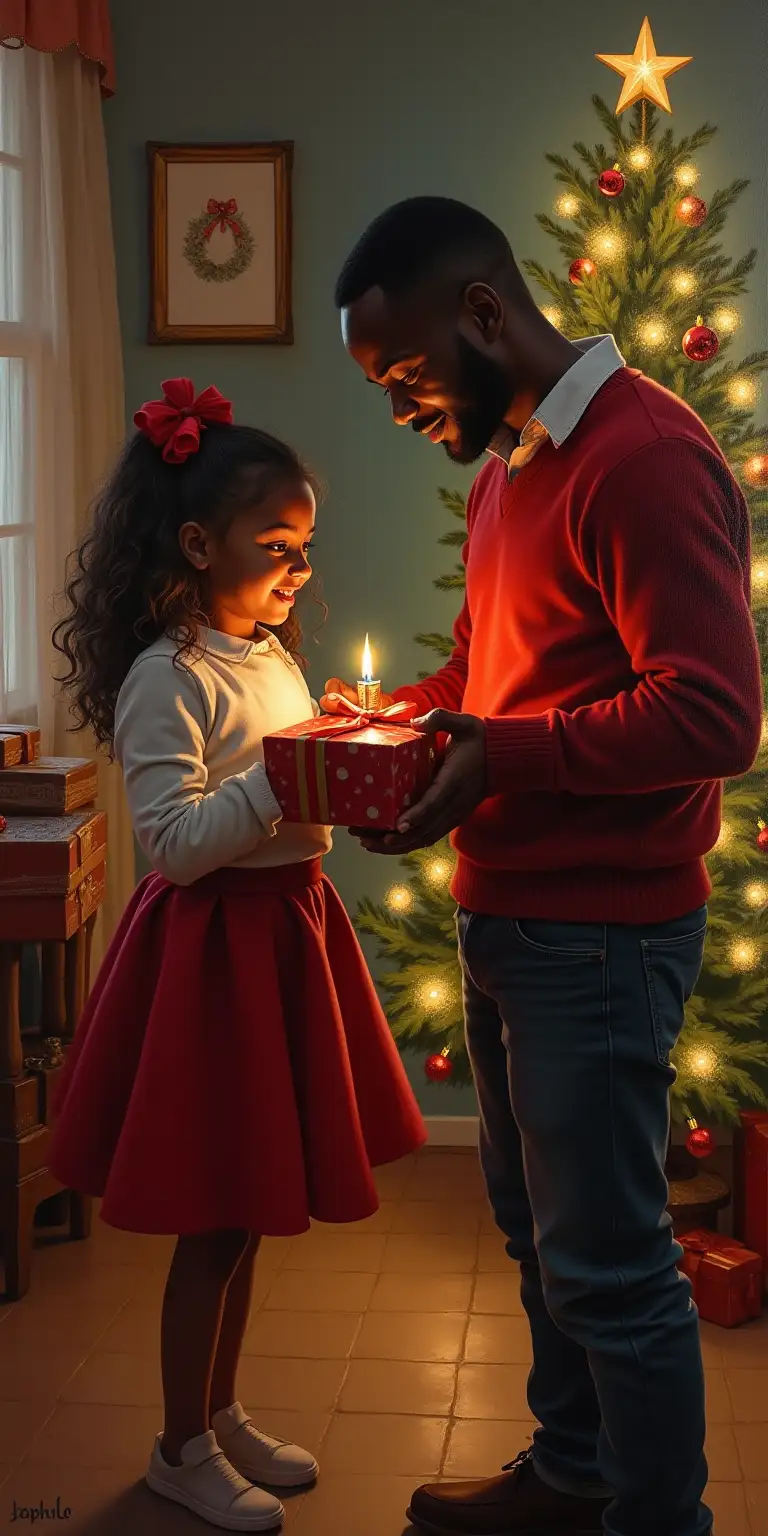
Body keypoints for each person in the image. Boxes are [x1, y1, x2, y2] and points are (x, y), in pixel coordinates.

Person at [326, 199, 763, 1536]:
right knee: (541, 1243)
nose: (403, 412)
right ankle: (572, 1476)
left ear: (483, 316)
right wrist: (395, 728)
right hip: (513, 922)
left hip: (602, 939)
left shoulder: (642, 455)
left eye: (404, 380)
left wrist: (501, 757)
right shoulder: (514, 464)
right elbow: (492, 671)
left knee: (614, 1271)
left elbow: (714, 714)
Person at [49, 377, 426, 1535]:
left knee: (255, 1206)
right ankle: (176, 1444)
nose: (298, 572)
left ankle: (216, 1409)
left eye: (307, 548)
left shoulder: (264, 650)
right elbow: (174, 845)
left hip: (288, 937)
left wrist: (353, 768)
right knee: (214, 1217)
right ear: (199, 543)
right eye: (278, 547)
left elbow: (293, 801)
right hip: (214, 966)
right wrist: (289, 769)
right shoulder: (171, 677)